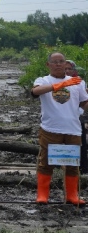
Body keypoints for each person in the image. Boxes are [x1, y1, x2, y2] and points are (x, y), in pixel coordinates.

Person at [31, 52, 88, 205]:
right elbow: (35, 92)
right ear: (48, 64)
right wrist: (59, 85)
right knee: (46, 163)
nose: (58, 64)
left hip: (73, 129)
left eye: (61, 61)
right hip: (50, 128)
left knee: (73, 164)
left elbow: (84, 103)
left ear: (65, 64)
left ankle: (72, 195)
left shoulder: (77, 82)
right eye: (54, 62)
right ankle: (42, 195)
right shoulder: (43, 80)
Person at [65, 60, 88, 175]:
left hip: (76, 117)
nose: (68, 71)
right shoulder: (54, 82)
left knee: (80, 144)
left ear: (74, 70)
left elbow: (84, 100)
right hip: (61, 118)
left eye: (70, 69)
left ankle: (83, 170)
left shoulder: (79, 82)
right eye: (66, 69)